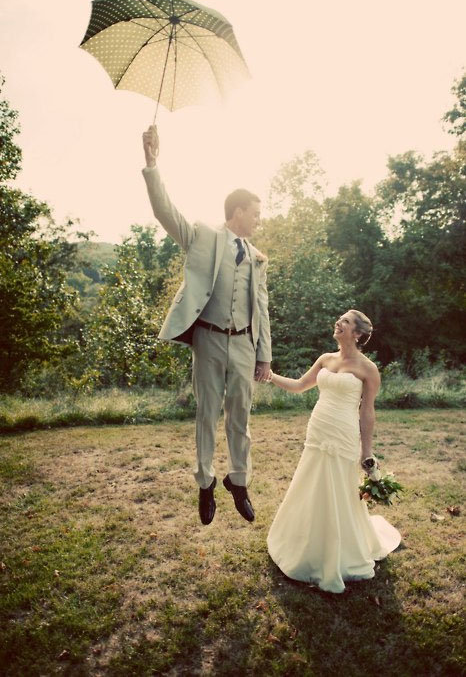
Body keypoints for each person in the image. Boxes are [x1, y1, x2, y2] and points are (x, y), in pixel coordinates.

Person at [142, 125, 272, 526]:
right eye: (254, 213)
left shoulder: (258, 258)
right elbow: (166, 212)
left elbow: (261, 308)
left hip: (244, 344)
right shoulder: (202, 236)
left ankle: (239, 481)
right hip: (209, 339)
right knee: (207, 414)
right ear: (236, 212)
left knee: (240, 417)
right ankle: (205, 483)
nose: (258, 219)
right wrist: (152, 163)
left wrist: (264, 356)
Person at [266, 309, 401, 593]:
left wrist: (368, 452)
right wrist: (270, 376)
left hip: (343, 434)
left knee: (339, 489)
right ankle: (305, 544)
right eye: (339, 320)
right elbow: (300, 386)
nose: (338, 324)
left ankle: (339, 551)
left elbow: (367, 411)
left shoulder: (368, 369)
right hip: (318, 429)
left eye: (345, 322)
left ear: (358, 334)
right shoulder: (325, 359)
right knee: (310, 484)